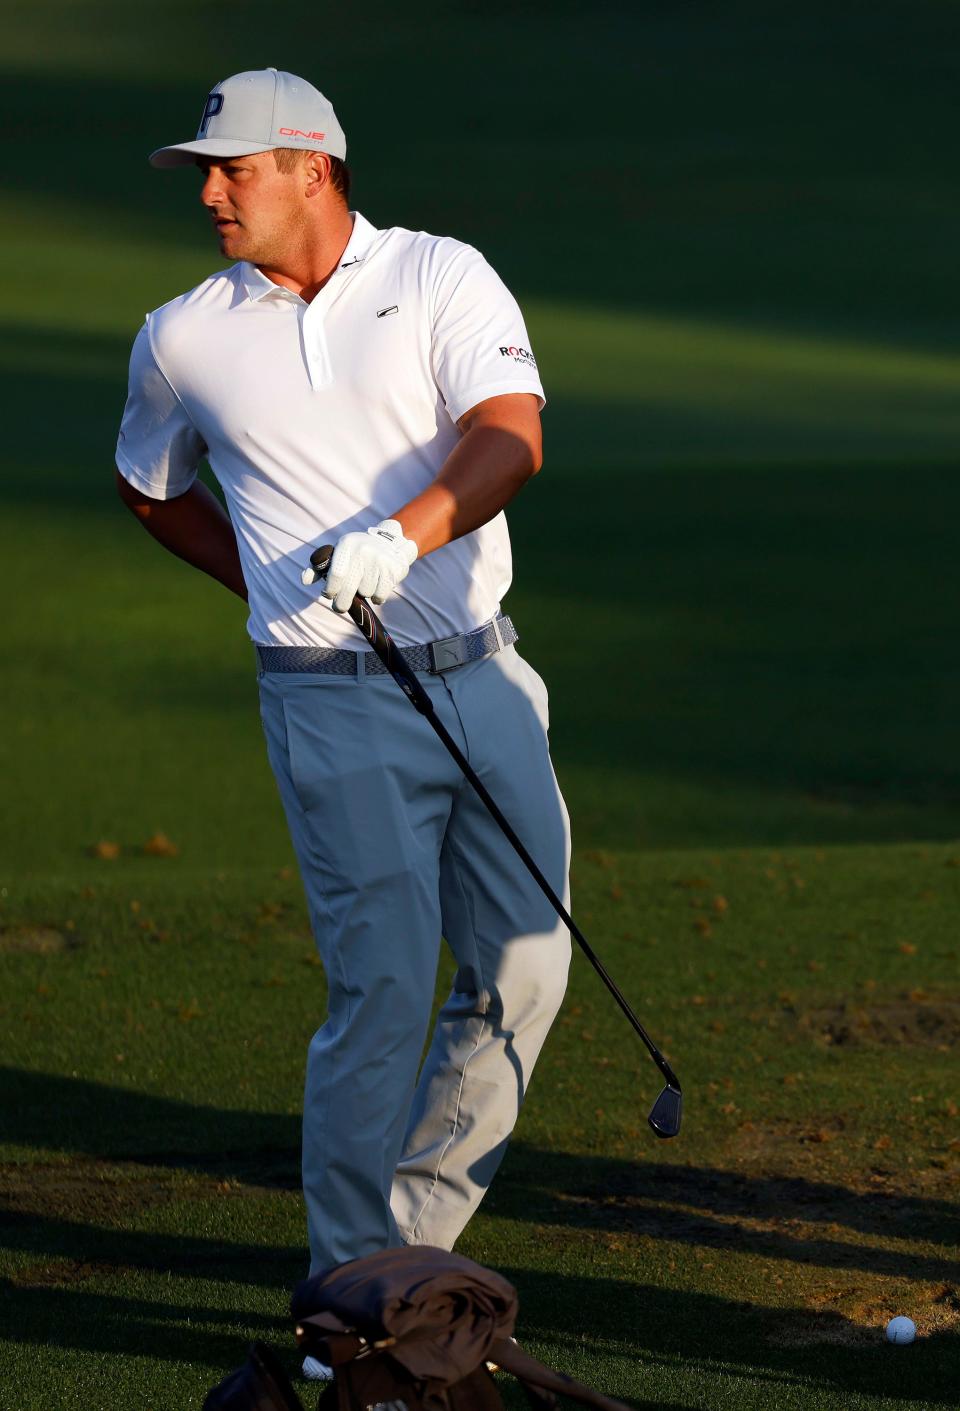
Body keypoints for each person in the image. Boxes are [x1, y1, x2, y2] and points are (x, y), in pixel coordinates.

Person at [115, 67, 571, 1296]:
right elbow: (149, 488)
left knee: (528, 966)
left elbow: (511, 431)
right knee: (380, 983)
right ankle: (347, 1285)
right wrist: (268, 590)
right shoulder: (184, 333)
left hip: (483, 673)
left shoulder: (437, 276)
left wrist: (405, 533)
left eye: (234, 169)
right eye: (205, 173)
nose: (210, 193)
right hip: (327, 698)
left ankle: (412, 1246)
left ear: (311, 167)